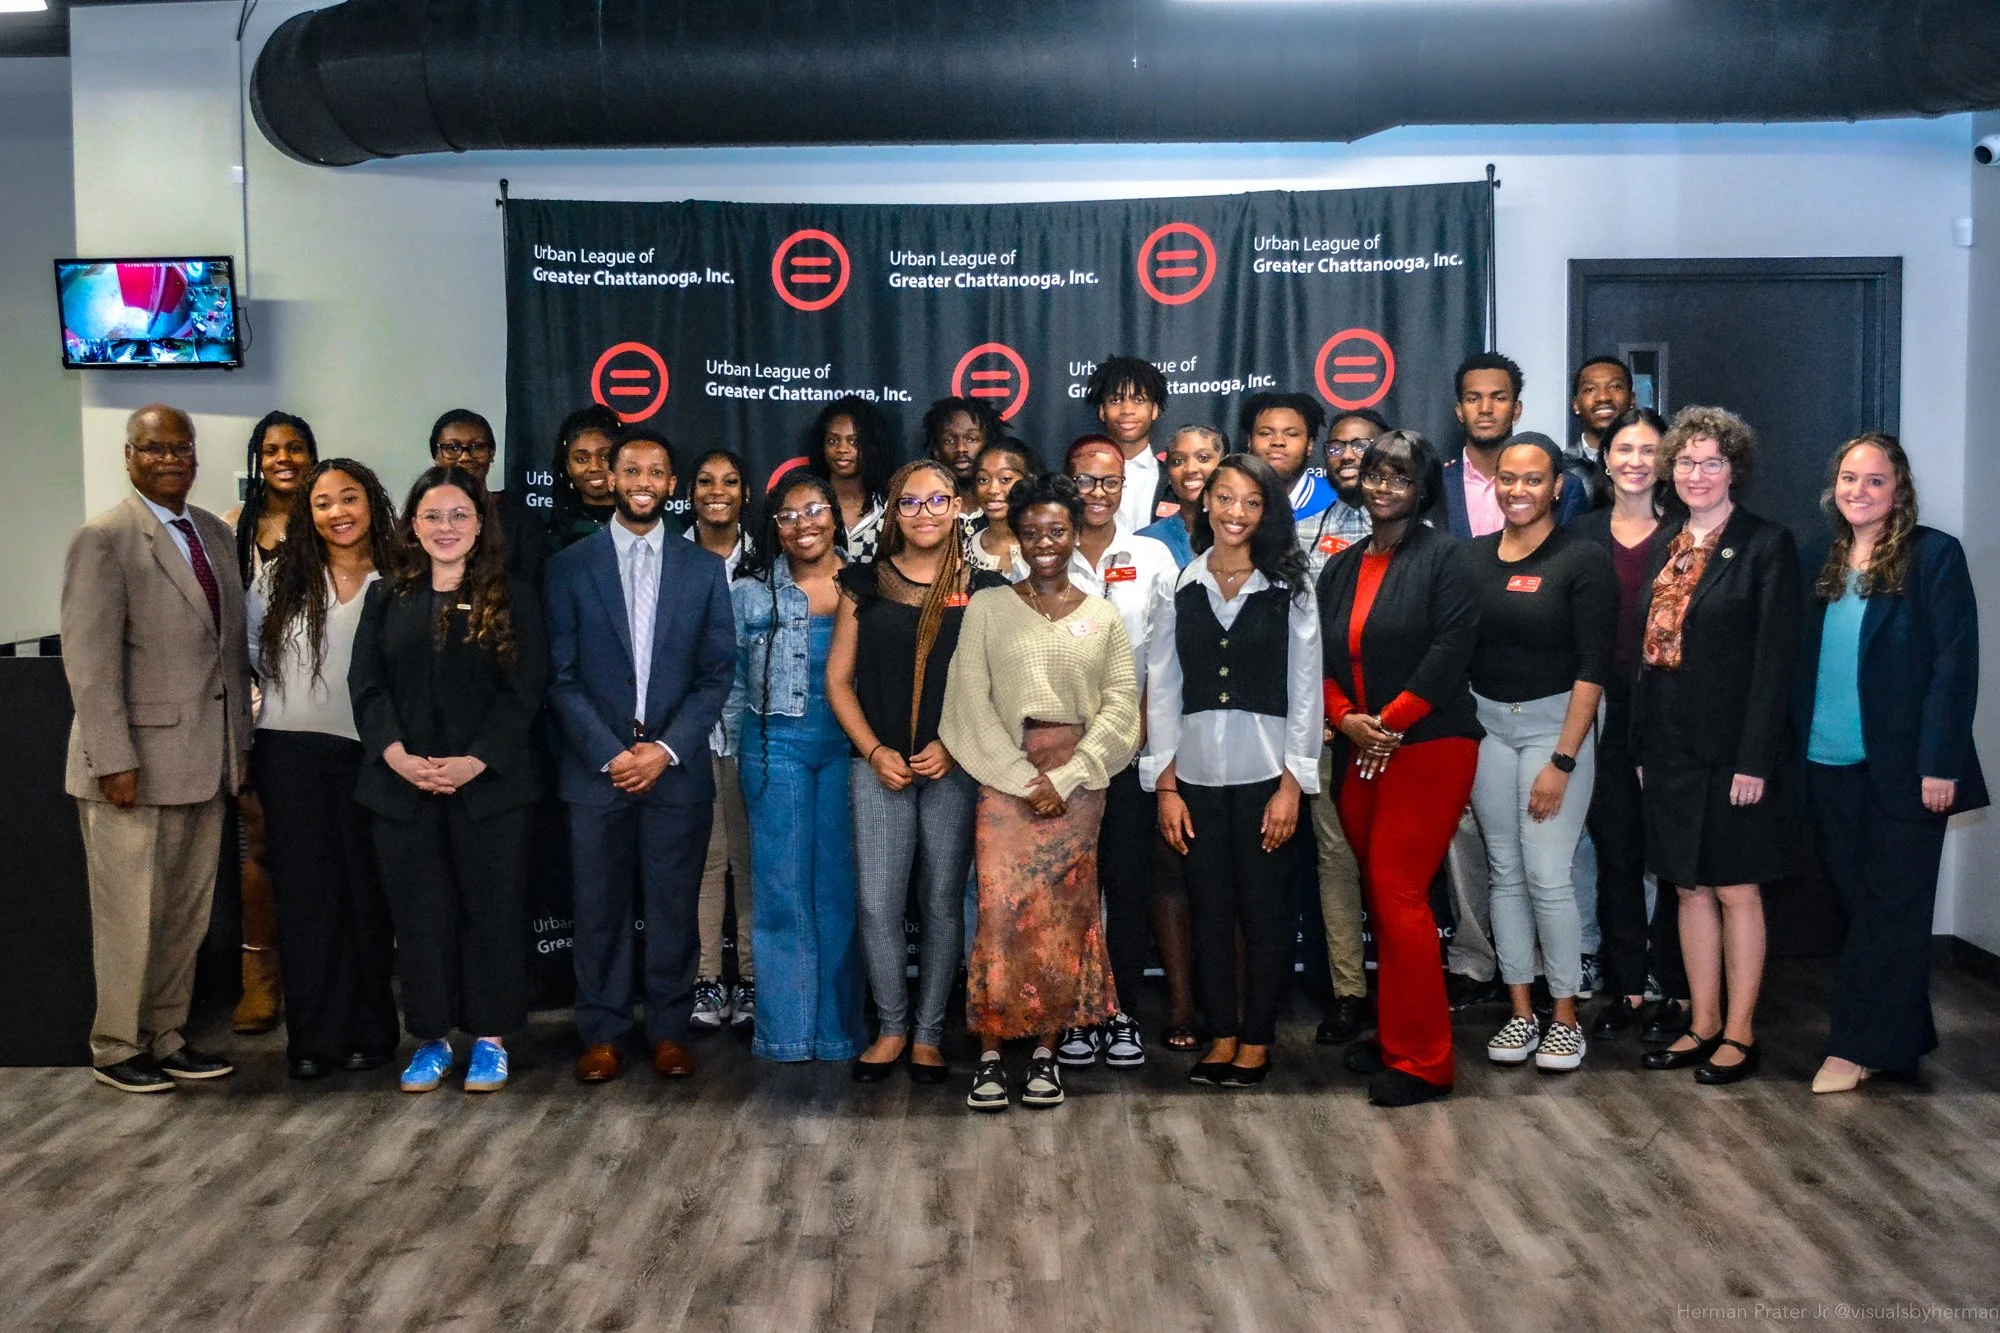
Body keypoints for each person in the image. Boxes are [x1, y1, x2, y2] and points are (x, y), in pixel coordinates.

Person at [62, 405, 252, 1093]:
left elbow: (226, 653)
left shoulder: (212, 533)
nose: (172, 458)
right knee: (130, 914)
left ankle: (165, 1033)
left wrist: (241, 747)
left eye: (183, 447)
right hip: (134, 766)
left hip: (207, 760)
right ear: (130, 454)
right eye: (156, 448)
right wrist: (114, 758)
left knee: (184, 914)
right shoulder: (105, 538)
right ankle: (116, 1043)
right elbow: (88, 663)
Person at [940, 473, 1141, 1112]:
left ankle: (1047, 1057)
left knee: (1065, 919)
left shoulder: (1103, 614)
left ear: (1075, 533)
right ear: (1017, 538)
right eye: (1031, 533)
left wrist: (1069, 775)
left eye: (1057, 530)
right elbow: (967, 700)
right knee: (1000, 917)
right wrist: (1025, 778)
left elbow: (1121, 710)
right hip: (1007, 782)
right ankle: (994, 1057)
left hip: (1079, 786)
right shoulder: (987, 607)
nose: (1045, 542)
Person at [1795, 434, 1985, 1093]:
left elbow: (1955, 668)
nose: (1860, 491)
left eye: (1875, 481)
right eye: (1850, 478)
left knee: (1889, 910)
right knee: (1864, 906)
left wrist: (1941, 764)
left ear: (1897, 489)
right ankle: (1901, 1039)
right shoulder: (1824, 558)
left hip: (1907, 771)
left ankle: (1853, 1047)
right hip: (1826, 763)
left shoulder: (1934, 556)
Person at [544, 427, 734, 1084]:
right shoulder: (569, 567)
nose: (643, 480)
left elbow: (717, 674)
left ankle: (668, 1028)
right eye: (631, 469)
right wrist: (611, 753)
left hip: (675, 773)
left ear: (671, 484)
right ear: (610, 478)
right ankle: (601, 1029)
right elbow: (560, 677)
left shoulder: (704, 570)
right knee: (598, 908)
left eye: (656, 470)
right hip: (596, 775)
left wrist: (663, 749)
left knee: (675, 906)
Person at [350, 466, 545, 1094]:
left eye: (459, 514)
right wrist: (397, 756)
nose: (446, 527)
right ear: (413, 524)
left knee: (492, 913)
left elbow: (525, 691)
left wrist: (476, 760)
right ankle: (430, 1040)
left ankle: (490, 1040)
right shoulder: (386, 597)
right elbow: (368, 686)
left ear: (480, 523)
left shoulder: (514, 595)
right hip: (403, 790)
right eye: (433, 515)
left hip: (490, 791)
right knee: (420, 916)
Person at [1634, 406, 1799, 1085]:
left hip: (1735, 754)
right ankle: (1701, 1022)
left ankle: (1740, 1031)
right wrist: (1642, 747)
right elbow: (1648, 655)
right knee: (1688, 889)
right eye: (1686, 462)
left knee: (1735, 889)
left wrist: (1755, 759)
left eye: (1711, 462)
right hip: (1669, 747)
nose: (1697, 474)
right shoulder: (1666, 543)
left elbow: (1774, 662)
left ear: (1735, 470)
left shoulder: (1766, 544)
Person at [1145, 453, 1322, 1088]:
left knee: (1265, 909)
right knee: (1210, 908)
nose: (1236, 513)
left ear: (1267, 510)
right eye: (1225, 499)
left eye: (1252, 501)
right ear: (1205, 503)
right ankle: (1221, 1034)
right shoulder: (1179, 585)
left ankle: (1257, 1038)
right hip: (1193, 776)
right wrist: (1164, 785)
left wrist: (1292, 785)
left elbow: (1306, 693)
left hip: (1266, 776)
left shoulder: (1290, 588)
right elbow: (1162, 687)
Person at [1318, 431, 1482, 1108]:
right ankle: (1395, 1036)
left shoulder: (1446, 557)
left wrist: (1389, 721)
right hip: (1360, 744)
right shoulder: (1341, 565)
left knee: (1399, 894)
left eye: (1401, 478)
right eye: (1376, 474)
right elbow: (1317, 658)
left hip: (1429, 744)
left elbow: (1451, 648)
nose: (1384, 487)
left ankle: (1426, 1061)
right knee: (1382, 901)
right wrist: (1349, 720)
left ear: (1422, 490)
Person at [831, 460, 1008, 1084]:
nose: (925, 512)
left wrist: (956, 748)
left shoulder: (987, 588)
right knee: (878, 904)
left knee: (941, 902)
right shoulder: (862, 581)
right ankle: (891, 1029)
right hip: (876, 766)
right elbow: (838, 680)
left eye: (938, 501)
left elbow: (994, 686)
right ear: (894, 511)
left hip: (952, 767)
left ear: (957, 506)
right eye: (911, 502)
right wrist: (874, 750)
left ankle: (931, 1035)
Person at [1464, 436, 1617, 1072]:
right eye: (1508, 479)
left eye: (1533, 479)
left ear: (1557, 486)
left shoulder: (1582, 559)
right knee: (1503, 868)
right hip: (1489, 727)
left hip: (1558, 727)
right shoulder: (1470, 559)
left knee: (1547, 873)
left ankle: (1564, 1016)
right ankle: (1521, 1011)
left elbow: (1593, 665)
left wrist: (1563, 760)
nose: (1518, 490)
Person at [245, 458, 401, 1079]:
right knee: (309, 901)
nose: (339, 512)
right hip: (290, 755)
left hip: (373, 756)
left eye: (351, 498)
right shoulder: (277, 580)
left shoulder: (400, 578)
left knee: (368, 898)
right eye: (324, 503)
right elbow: (253, 655)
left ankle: (372, 1032)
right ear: (307, 514)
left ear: (373, 503)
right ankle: (313, 1037)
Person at [726, 474, 863, 1061]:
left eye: (814, 510)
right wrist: (734, 753)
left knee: (836, 891)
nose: (803, 523)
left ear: (835, 517)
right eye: (788, 515)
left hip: (849, 748)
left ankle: (836, 1033)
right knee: (780, 892)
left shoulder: (867, 584)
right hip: (772, 746)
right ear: (773, 527)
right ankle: (783, 1034)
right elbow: (732, 681)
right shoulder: (751, 593)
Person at [1057, 436, 1181, 1071]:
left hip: (1131, 750)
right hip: (1062, 753)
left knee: (1127, 885)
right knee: (1073, 890)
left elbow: (1163, 660)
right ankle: (1079, 1010)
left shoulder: (1153, 556)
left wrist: (1135, 730)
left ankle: (1122, 1011)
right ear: (1068, 482)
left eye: (1109, 482)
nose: (1097, 494)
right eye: (1085, 481)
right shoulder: (1044, 554)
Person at [1567, 408, 1690, 1042]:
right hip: (1599, 705)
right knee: (1616, 853)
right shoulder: (1582, 534)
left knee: (1669, 857)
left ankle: (1675, 983)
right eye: (1625, 448)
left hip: (1669, 707)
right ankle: (1629, 986)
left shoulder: (1687, 534)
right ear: (1605, 458)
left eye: (1650, 449)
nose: (1637, 460)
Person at [221, 410, 318, 1037]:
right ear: (258, 461)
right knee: (259, 845)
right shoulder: (230, 531)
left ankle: (320, 973)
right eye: (271, 450)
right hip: (256, 708)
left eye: (295, 448)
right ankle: (261, 979)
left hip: (327, 711)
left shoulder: (336, 518)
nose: (283, 459)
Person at [1308, 408, 1381, 1045]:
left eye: (1364, 445)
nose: (1350, 456)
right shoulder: (1310, 535)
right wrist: (1335, 715)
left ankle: (1404, 983)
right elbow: (1309, 642)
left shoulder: (1430, 540)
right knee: (1336, 860)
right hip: (1336, 727)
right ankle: (1348, 991)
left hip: (1406, 733)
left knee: (1395, 863)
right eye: (1339, 446)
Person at [685, 449, 757, 1030]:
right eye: (706, 482)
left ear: (746, 494)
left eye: (730, 482)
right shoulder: (673, 558)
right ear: (690, 492)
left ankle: (754, 982)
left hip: (754, 728)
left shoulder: (766, 560)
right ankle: (708, 980)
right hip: (689, 733)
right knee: (708, 860)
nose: (718, 491)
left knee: (751, 860)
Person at [427, 407, 547, 587]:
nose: (465, 457)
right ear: (436, 455)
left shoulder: (523, 522)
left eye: (477, 447)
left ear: (491, 454)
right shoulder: (422, 520)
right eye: (452, 448)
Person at [1084, 354, 1172, 534]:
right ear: (1102, 411)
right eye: (1116, 400)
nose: (1127, 410)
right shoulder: (1080, 480)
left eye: (1139, 400)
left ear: (1154, 410)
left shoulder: (1174, 480)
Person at [806, 396, 894, 562]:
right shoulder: (808, 509)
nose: (842, 449)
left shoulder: (890, 511)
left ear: (872, 446)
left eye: (854, 441)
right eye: (832, 440)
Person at [1138, 425, 1224, 571]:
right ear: (1168, 473)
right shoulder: (1145, 540)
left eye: (1203, 458)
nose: (1190, 469)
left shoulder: (1240, 533)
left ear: (1224, 465)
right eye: (1178, 461)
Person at [545, 404, 623, 554]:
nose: (594, 467)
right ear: (568, 467)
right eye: (581, 459)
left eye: (605, 456)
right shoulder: (558, 533)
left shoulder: (647, 520)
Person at [968, 439, 1035, 575]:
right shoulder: (961, 554)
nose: (993, 490)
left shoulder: (1046, 547)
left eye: (1005, 479)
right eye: (983, 480)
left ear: (1029, 481)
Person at [923, 396, 1003, 497]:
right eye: (949, 440)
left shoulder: (1007, 509)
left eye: (971, 439)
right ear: (936, 451)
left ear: (989, 447)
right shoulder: (926, 508)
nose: (961, 448)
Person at [1569, 356, 1635, 471]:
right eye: (1590, 389)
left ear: (1632, 400)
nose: (1603, 397)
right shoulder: (1560, 467)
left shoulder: (1653, 465)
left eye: (1615, 387)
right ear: (1575, 405)